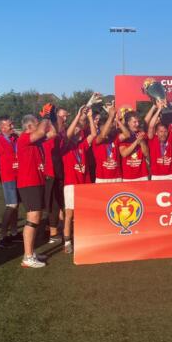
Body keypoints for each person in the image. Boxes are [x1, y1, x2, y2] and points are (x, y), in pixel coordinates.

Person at [17, 114, 51, 268]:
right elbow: (42, 131)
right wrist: (46, 116)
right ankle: (28, 257)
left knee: (35, 218)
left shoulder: (35, 140)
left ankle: (30, 253)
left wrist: (51, 118)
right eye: (36, 124)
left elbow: (52, 133)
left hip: (36, 182)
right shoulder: (24, 138)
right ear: (29, 127)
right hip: (29, 183)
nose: (39, 126)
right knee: (32, 218)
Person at [60, 106, 95, 253]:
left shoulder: (82, 145)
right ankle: (67, 241)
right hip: (71, 185)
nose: (77, 132)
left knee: (84, 212)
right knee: (70, 214)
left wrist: (90, 117)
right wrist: (78, 115)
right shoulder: (65, 146)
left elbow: (94, 134)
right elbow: (68, 135)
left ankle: (83, 237)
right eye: (75, 130)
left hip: (84, 184)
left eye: (78, 131)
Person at [0, 116, 22, 248]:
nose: (13, 126)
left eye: (12, 124)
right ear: (2, 127)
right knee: (11, 205)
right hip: (8, 179)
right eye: (9, 125)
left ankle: (14, 233)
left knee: (16, 206)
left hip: (20, 177)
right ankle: (2, 237)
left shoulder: (15, 138)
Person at [42, 108, 67, 244]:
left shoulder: (60, 135)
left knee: (58, 203)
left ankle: (52, 228)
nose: (64, 121)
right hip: (51, 174)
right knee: (54, 205)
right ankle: (52, 233)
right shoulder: (49, 135)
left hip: (59, 173)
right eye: (62, 119)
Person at [146, 101, 172, 180]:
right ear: (156, 132)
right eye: (161, 131)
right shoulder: (152, 140)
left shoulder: (170, 138)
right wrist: (159, 109)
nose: (163, 134)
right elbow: (151, 126)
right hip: (157, 176)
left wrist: (168, 105)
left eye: (165, 131)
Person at [91, 105, 123, 183]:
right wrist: (111, 116)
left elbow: (127, 135)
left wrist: (116, 120)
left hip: (117, 177)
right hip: (102, 178)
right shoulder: (96, 139)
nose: (108, 128)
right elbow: (103, 135)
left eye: (109, 126)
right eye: (105, 126)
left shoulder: (115, 137)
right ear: (100, 127)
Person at [118, 110, 150, 181]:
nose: (137, 124)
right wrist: (136, 142)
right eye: (134, 122)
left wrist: (141, 141)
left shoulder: (142, 133)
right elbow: (124, 154)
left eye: (138, 122)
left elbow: (146, 153)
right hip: (128, 176)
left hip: (142, 175)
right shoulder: (123, 136)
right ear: (128, 123)